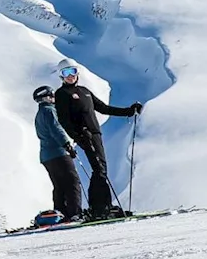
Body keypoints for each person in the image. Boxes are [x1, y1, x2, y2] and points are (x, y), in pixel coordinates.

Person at [52, 60, 142, 219]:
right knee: (99, 169)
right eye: (66, 73)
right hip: (84, 136)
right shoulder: (62, 94)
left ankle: (102, 206)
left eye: (73, 71)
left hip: (95, 134)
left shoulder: (84, 91)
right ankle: (100, 208)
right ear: (61, 76)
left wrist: (129, 111)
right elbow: (64, 120)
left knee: (101, 169)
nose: (71, 76)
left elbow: (103, 108)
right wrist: (78, 136)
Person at [33, 85, 83, 222]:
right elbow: (56, 129)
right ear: (47, 97)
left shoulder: (40, 113)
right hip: (58, 153)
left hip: (46, 156)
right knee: (72, 182)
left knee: (59, 185)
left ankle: (59, 214)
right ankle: (74, 213)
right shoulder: (49, 111)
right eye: (53, 96)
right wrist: (67, 145)